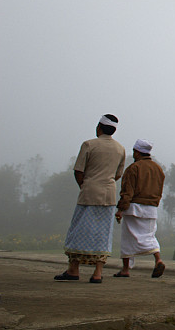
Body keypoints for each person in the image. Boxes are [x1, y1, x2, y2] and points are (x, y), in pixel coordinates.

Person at [54, 115, 125, 283]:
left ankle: (74, 269)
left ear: (99, 127)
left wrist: (85, 185)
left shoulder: (89, 145)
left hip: (89, 192)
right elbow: (118, 174)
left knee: (79, 230)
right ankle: (98, 272)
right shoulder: (120, 149)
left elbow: (79, 170)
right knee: (103, 233)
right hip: (108, 194)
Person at [115, 139, 166, 278]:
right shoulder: (158, 169)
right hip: (151, 209)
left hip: (134, 208)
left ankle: (125, 269)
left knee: (127, 239)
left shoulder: (134, 168)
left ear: (137, 152)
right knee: (149, 236)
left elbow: (127, 191)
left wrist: (120, 209)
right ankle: (158, 259)